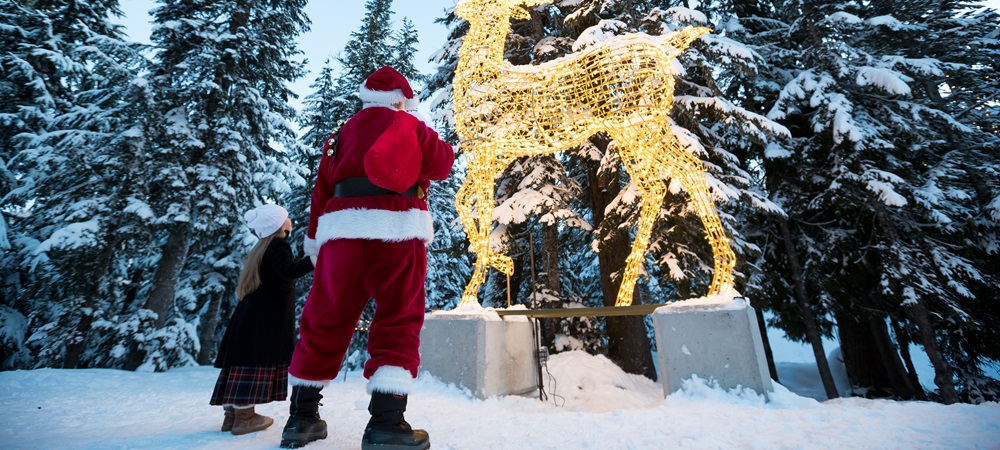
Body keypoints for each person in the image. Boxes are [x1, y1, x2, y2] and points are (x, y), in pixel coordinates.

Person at [279, 66, 454, 450]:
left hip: (341, 234)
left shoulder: (338, 136)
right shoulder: (410, 126)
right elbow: (443, 164)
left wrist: (314, 241)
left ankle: (301, 419)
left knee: (324, 318)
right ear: (403, 99)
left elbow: (321, 191)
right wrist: (418, 127)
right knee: (398, 316)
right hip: (396, 231)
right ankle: (387, 424)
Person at [210, 204, 315, 435]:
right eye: (286, 218)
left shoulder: (262, 248)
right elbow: (287, 271)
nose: (290, 221)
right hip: (264, 320)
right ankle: (244, 417)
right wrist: (313, 260)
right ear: (278, 225)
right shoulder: (278, 245)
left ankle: (232, 417)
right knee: (253, 360)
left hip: (250, 317)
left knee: (243, 360)